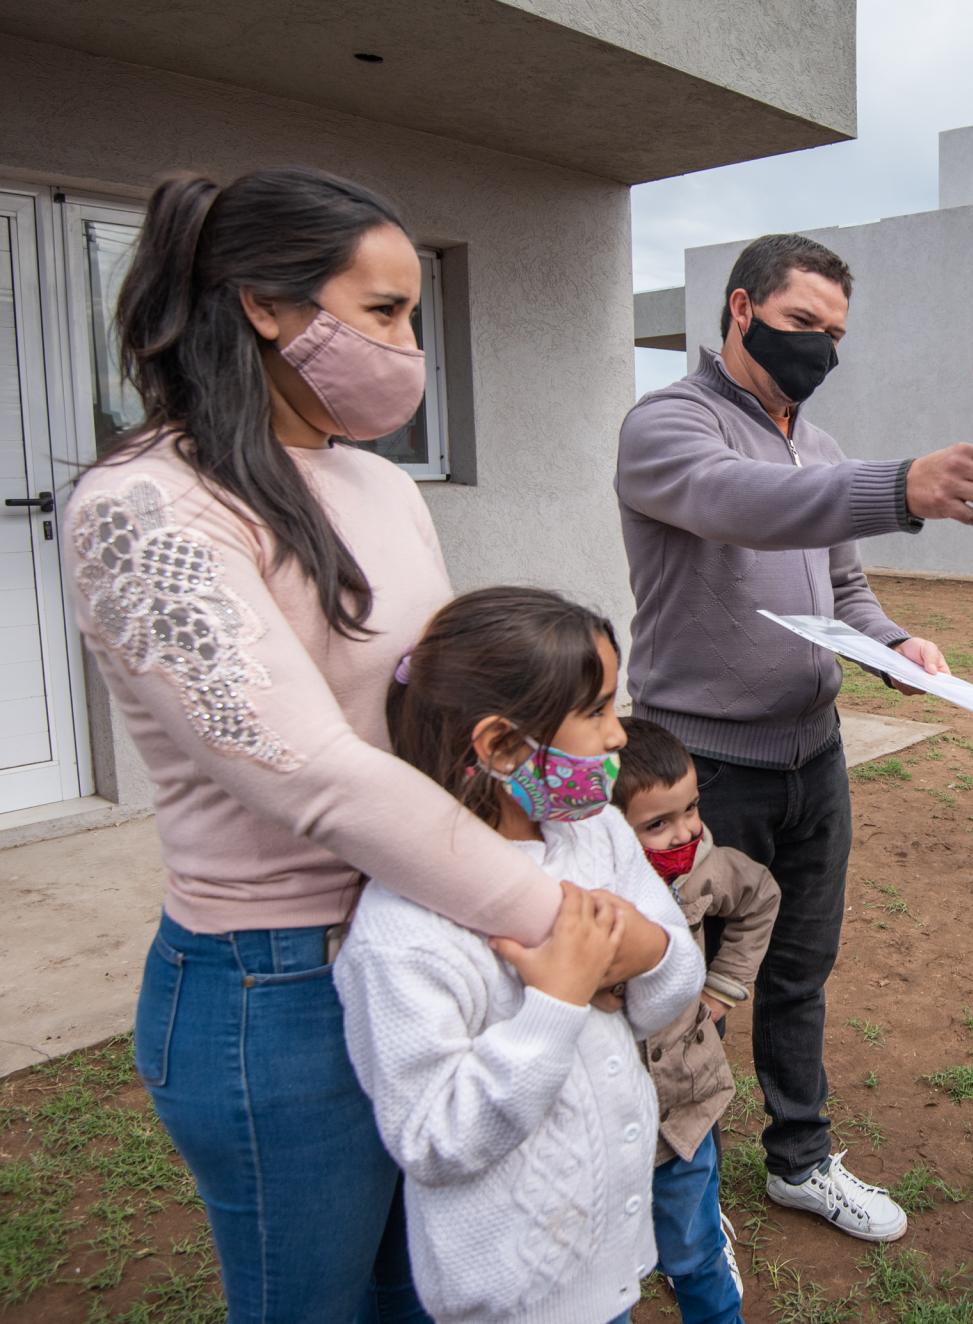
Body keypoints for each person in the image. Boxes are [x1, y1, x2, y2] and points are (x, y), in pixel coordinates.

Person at [65, 168, 660, 1321]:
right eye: (383, 312)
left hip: (436, 936)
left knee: (428, 1286)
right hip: (277, 982)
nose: (408, 345)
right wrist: (573, 927)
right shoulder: (146, 507)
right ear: (264, 306)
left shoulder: (379, 484)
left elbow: (435, 718)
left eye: (412, 315)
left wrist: (579, 817)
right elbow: (321, 777)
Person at [616, 233, 973, 1240]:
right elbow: (740, 504)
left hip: (813, 755)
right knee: (669, 981)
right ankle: (651, 1177)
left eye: (836, 333)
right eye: (804, 324)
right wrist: (901, 487)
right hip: (700, 773)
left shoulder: (823, 445)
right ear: (741, 309)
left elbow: (844, 588)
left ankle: (799, 1157)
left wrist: (897, 647)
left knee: (797, 968)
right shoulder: (668, 424)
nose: (822, 348)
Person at [336, 588, 702, 1324]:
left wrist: (640, 953)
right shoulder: (403, 929)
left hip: (608, 1259)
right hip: (515, 1298)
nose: (618, 736)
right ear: (502, 746)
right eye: (596, 711)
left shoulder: (594, 831)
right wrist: (560, 1001)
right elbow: (433, 1138)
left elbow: (677, 975)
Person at [613, 718, 781, 1324]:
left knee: (697, 1254)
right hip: (603, 1129)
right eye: (656, 824)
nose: (685, 830)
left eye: (691, 809)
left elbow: (759, 896)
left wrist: (721, 989)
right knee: (606, 1279)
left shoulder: (706, 869)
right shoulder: (577, 892)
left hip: (684, 1110)